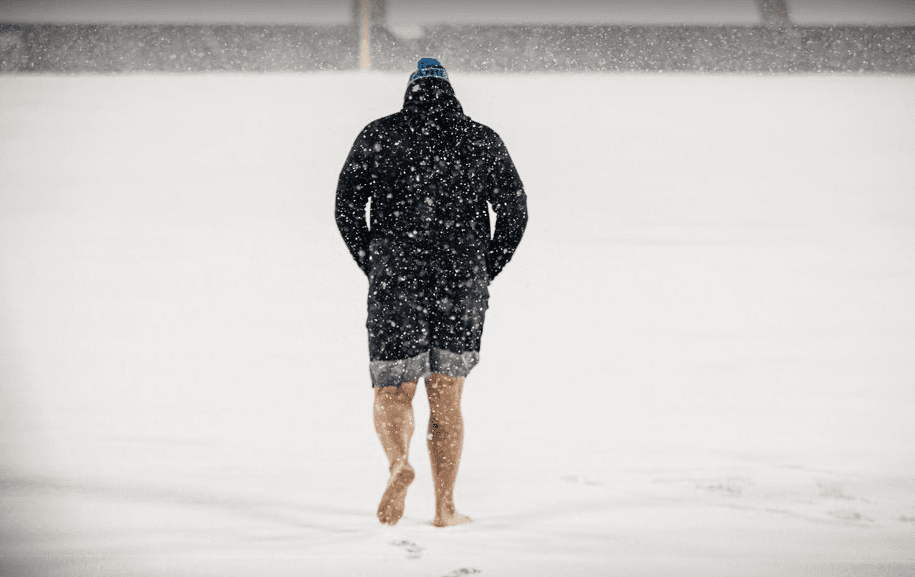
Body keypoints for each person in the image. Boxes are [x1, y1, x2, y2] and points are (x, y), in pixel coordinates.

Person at [335, 58, 527, 528]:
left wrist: (375, 263)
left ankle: (399, 461)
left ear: (410, 94)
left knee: (393, 386)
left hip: (397, 276)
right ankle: (444, 508)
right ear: (450, 95)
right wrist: (484, 268)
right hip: (460, 278)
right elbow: (515, 213)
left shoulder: (380, 134)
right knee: (446, 395)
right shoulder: (480, 138)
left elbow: (345, 208)